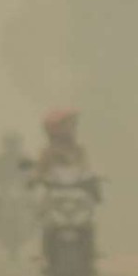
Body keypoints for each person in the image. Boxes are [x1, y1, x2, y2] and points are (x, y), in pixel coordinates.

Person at [34, 108, 97, 266]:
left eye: (70, 126)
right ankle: (46, 253)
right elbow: (39, 171)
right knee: (45, 218)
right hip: (55, 194)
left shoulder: (78, 150)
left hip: (76, 194)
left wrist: (93, 179)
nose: (70, 129)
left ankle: (91, 251)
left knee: (88, 219)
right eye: (66, 126)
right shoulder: (48, 152)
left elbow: (86, 169)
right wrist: (36, 178)